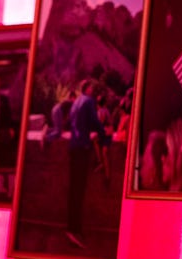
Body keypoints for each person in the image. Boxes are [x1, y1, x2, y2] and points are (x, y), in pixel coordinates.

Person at [66, 79, 109, 250]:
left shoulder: (76, 102)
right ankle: (74, 229)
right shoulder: (89, 101)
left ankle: (71, 226)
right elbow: (95, 122)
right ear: (88, 89)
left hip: (73, 147)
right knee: (79, 189)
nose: (93, 89)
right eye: (91, 87)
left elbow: (72, 122)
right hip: (82, 148)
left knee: (73, 189)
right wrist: (103, 133)